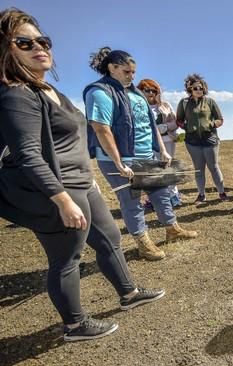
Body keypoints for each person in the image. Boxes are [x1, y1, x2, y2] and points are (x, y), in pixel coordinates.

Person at [0, 8, 165, 341]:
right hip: (57, 190)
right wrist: (61, 199)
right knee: (67, 256)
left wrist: (89, 179)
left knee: (109, 239)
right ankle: (75, 325)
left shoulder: (49, 91)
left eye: (42, 40)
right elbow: (28, 154)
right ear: (6, 51)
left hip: (81, 183)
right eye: (25, 43)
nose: (39, 47)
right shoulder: (17, 94)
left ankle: (129, 293)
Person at [84, 47, 198, 261]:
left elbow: (150, 123)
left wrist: (161, 149)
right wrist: (118, 162)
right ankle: (143, 243)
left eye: (133, 72)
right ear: (112, 68)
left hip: (147, 155)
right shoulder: (99, 92)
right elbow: (101, 128)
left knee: (161, 192)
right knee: (131, 201)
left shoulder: (136, 93)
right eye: (127, 72)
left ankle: (172, 229)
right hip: (120, 160)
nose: (132, 76)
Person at [176, 73, 228, 204]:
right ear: (190, 89)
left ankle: (221, 192)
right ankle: (201, 195)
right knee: (199, 169)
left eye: (200, 88)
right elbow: (179, 120)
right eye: (195, 88)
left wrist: (212, 124)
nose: (198, 90)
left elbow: (220, 119)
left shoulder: (210, 101)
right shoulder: (184, 103)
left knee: (214, 167)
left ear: (204, 88)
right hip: (192, 142)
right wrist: (186, 127)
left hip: (210, 140)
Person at [136, 78, 181, 207]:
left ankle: (173, 196)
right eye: (147, 90)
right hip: (148, 143)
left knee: (168, 168)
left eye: (154, 90)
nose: (151, 93)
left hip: (167, 141)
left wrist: (165, 127)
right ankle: (155, 200)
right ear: (140, 91)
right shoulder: (138, 107)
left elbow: (175, 122)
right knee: (153, 171)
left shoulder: (165, 105)